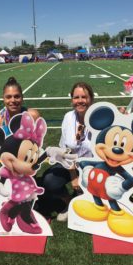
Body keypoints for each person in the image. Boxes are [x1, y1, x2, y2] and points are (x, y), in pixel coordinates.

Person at [36, 82, 94, 221]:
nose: (80, 101)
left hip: (93, 165)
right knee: (49, 180)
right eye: (76, 97)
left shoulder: (100, 118)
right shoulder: (68, 117)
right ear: (72, 100)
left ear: (91, 99)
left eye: (84, 97)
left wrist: (121, 118)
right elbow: (65, 151)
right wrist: (74, 176)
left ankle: (88, 198)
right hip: (70, 163)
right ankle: (69, 202)